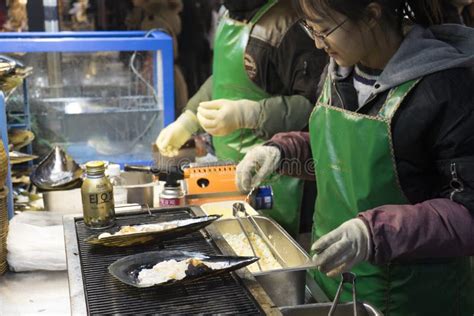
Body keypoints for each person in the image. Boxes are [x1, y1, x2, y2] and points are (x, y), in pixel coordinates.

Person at [236, 0, 474, 314]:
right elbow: (341, 157)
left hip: (413, 298)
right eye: (311, 30)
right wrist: (283, 152)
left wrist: (373, 233)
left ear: (372, 14)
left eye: (324, 30)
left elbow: (467, 213)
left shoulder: (444, 87)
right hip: (335, 286)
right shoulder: (339, 73)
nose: (318, 44)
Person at [155, 0, 328, 235]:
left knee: (275, 248)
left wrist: (250, 114)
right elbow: (222, 78)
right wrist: (189, 119)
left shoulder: (288, 25)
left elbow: (314, 106)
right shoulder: (229, 13)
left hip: (280, 175)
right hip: (229, 168)